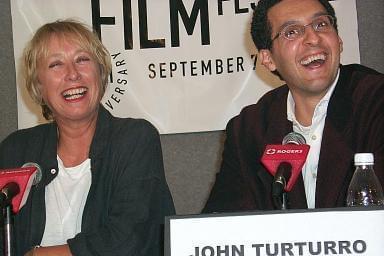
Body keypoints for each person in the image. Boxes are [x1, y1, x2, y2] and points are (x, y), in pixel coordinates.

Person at [0, 19, 175, 255]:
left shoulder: (134, 139)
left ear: (100, 72)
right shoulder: (16, 150)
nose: (72, 74)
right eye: (55, 64)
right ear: (39, 86)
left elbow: (131, 238)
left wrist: (38, 255)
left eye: (82, 60)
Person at [203, 0, 384, 213]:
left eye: (321, 25)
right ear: (268, 59)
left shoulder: (376, 102)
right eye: (291, 32)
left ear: (339, 40)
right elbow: (222, 224)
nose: (313, 38)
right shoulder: (249, 129)